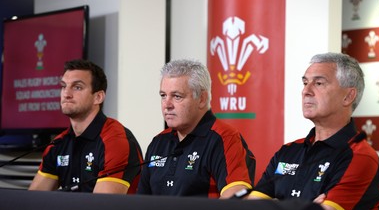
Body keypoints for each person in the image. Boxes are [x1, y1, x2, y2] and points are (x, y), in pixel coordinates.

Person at [247, 53, 379, 210]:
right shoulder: (288, 151)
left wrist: (276, 207)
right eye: (305, 83)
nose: (306, 91)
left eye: (318, 83)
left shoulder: (360, 157)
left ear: (348, 96)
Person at [137, 59, 255, 198]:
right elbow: (141, 202)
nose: (167, 105)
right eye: (163, 96)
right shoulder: (158, 142)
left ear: (202, 99)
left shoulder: (225, 138)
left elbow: (235, 200)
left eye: (177, 96)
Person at [29, 59, 143, 194]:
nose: (66, 94)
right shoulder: (58, 144)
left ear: (98, 97)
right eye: (64, 86)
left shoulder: (115, 141)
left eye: (77, 87)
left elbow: (101, 209)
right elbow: (33, 200)